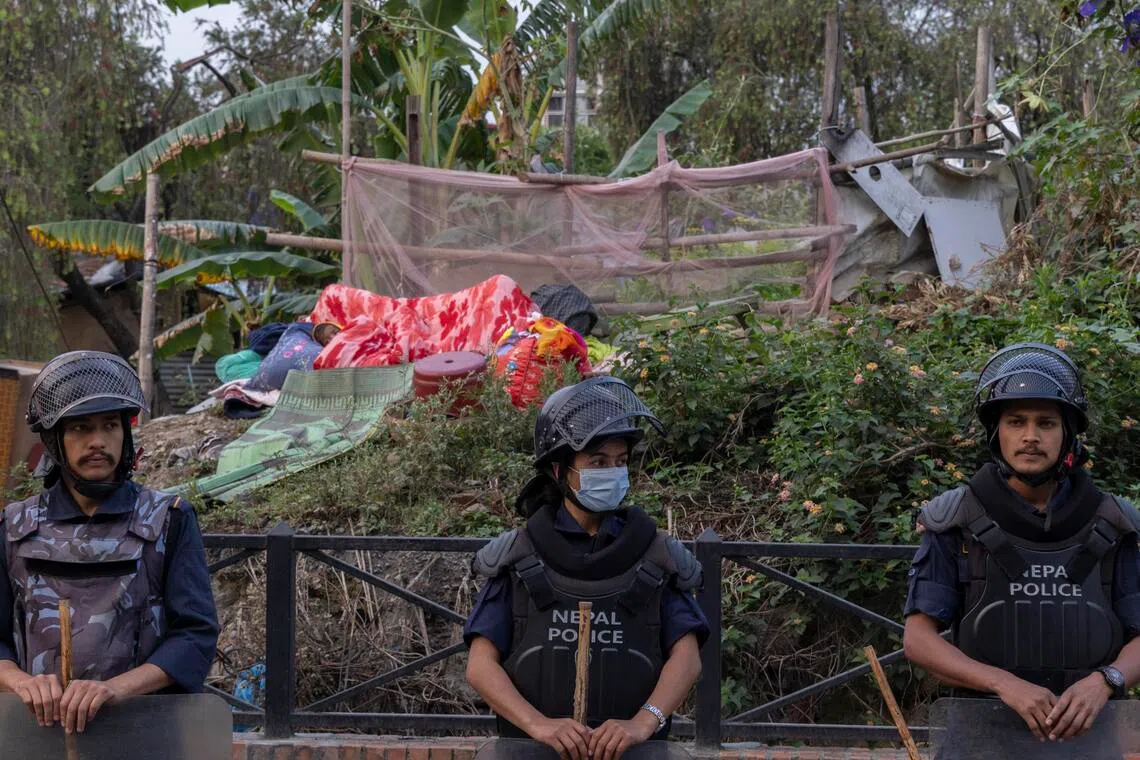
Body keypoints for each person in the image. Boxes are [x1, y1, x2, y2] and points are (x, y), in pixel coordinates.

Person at [904, 343, 1140, 747]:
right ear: (998, 432)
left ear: (1068, 433)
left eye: (1046, 423)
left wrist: (1105, 681)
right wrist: (1003, 683)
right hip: (980, 740)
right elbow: (919, 640)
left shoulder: (1115, 521)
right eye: (1016, 422)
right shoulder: (955, 519)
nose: (1030, 437)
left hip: (1085, 737)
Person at [465, 377, 708, 760]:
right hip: (530, 750)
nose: (612, 472)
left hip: (634, 753)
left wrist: (644, 722)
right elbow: (480, 666)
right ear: (560, 471)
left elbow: (688, 657)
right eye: (597, 462)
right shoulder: (519, 555)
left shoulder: (656, 555)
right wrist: (538, 725)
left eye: (620, 461)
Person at [0, 351, 220, 734]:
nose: (98, 441)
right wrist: (23, 683)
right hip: (34, 737)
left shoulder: (170, 520)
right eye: (80, 428)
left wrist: (114, 690)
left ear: (126, 434)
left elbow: (194, 636)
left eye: (110, 426)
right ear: (55, 440)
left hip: (146, 736)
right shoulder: (13, 527)